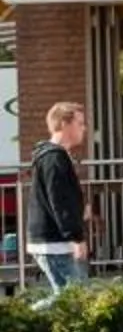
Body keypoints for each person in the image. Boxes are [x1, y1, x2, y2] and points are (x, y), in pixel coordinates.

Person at [24, 103, 95, 300]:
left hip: (54, 240)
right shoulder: (54, 158)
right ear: (65, 124)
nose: (84, 128)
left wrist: (80, 210)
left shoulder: (53, 157)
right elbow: (59, 201)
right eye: (80, 123)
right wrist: (76, 237)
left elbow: (61, 198)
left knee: (70, 298)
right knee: (73, 299)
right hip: (54, 241)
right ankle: (17, 319)